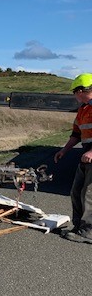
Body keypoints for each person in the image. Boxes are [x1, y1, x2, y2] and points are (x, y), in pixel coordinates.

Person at [54, 73, 92, 242]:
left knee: (89, 194)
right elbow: (76, 134)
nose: (74, 96)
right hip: (86, 155)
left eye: (74, 92)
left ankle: (88, 232)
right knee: (76, 191)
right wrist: (65, 150)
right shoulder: (83, 109)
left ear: (82, 90)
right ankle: (78, 227)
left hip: (90, 154)